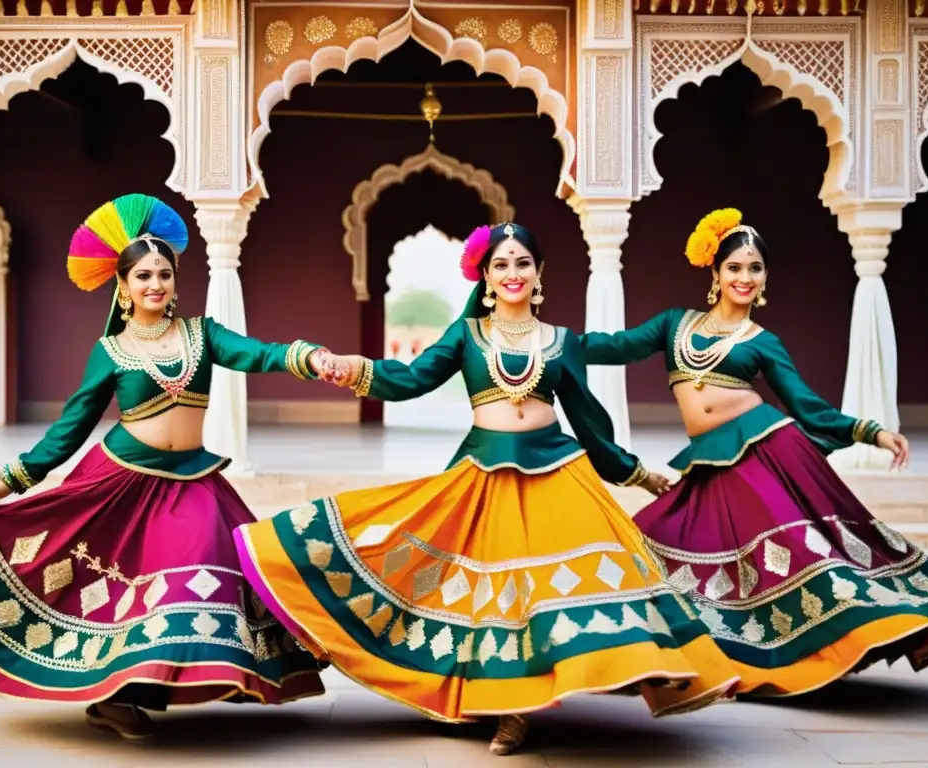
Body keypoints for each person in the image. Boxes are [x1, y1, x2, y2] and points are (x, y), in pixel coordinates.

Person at [232, 222, 741, 757]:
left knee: (565, 591)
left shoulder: (561, 343)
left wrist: (636, 473)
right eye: (501, 265)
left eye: (523, 263)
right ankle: (508, 711)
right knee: (494, 601)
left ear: (539, 273)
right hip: (484, 476)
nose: (513, 273)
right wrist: (352, 371)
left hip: (556, 475)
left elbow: (591, 424)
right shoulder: (467, 335)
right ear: (486, 276)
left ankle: (585, 682)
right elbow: (410, 378)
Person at [0, 194, 334, 739]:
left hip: (192, 483)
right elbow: (71, 427)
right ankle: (117, 700)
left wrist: (307, 357)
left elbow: (255, 353)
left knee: (204, 576)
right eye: (143, 275)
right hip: (119, 483)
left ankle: (162, 683)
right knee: (118, 593)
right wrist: (12, 477)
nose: (155, 285)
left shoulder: (203, 335)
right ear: (123, 285)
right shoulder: (111, 351)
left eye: (164, 274)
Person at [579, 207, 928, 697]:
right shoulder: (674, 324)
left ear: (764, 277)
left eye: (754, 269)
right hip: (711, 462)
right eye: (734, 267)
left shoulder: (763, 342)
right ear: (715, 273)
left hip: (768, 452)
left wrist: (871, 431)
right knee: (649, 546)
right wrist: (546, 343)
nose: (744, 278)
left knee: (799, 558)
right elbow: (614, 346)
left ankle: (885, 635)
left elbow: (807, 406)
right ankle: (650, 653)